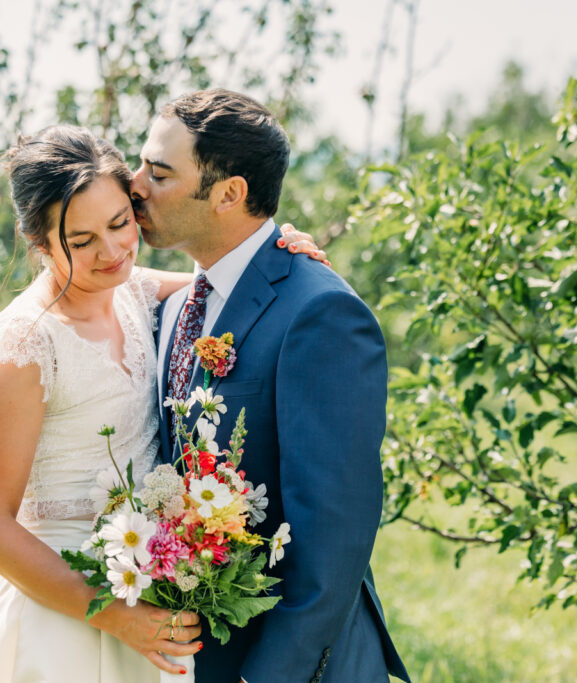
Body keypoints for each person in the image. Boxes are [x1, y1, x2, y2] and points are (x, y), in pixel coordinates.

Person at [0, 124, 325, 682]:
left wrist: (282, 253)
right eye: (81, 241)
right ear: (40, 243)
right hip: (64, 615)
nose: (112, 250)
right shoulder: (23, 347)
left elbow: (230, 279)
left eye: (120, 223)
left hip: (150, 589)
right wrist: (115, 615)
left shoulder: (133, 289)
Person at [130, 89, 411, 683]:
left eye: (159, 172)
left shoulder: (321, 313)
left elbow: (333, 540)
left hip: (290, 664)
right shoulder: (175, 302)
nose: (136, 184)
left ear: (229, 193)